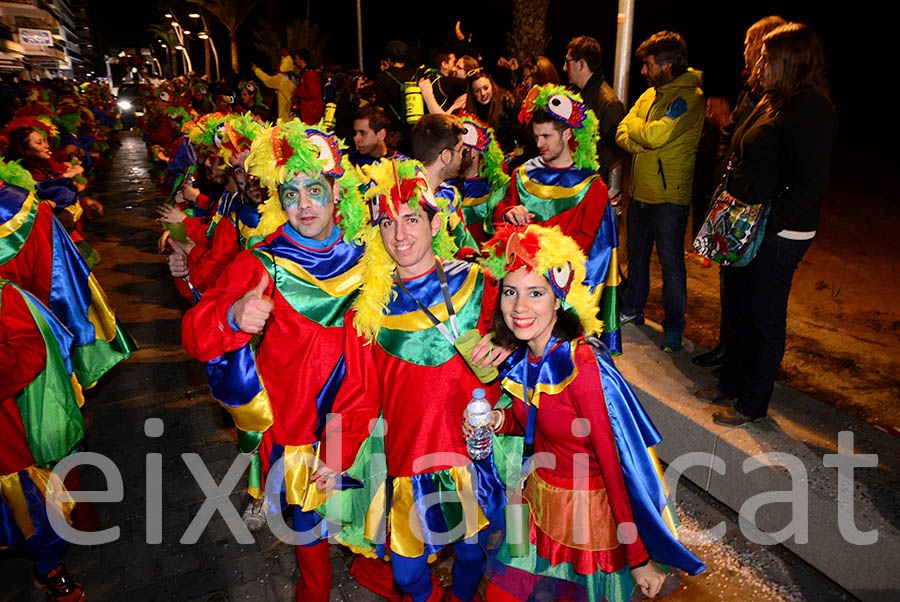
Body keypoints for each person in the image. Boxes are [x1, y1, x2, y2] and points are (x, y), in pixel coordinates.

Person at [181, 121, 369, 602]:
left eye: (314, 190)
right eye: (291, 193)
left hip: (362, 416)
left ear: (335, 190)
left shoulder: (370, 254)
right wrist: (232, 313)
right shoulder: (262, 262)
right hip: (297, 425)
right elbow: (195, 333)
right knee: (308, 533)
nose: (304, 204)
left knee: (368, 513)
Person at [471, 224, 705, 602]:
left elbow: (617, 465)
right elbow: (536, 424)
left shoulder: (581, 365)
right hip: (539, 507)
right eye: (511, 292)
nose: (519, 307)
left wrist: (639, 556)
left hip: (590, 523)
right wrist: (498, 421)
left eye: (536, 293)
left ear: (559, 298)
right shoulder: (527, 354)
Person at [312, 158, 509, 602]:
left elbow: (520, 350)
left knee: (473, 554)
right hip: (409, 464)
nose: (399, 235)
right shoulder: (369, 309)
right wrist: (333, 455)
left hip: (471, 457)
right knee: (406, 572)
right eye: (386, 222)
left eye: (411, 218)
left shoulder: (480, 282)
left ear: (434, 221)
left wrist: (508, 355)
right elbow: (359, 395)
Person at [700, 23, 836, 426]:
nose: (758, 64)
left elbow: (812, 181)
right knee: (739, 309)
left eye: (766, 58)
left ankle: (753, 403)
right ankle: (731, 383)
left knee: (764, 317)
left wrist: (768, 225)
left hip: (778, 233)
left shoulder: (811, 107)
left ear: (788, 61)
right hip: (749, 225)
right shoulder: (773, 98)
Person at [491, 84, 622, 352]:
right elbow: (498, 214)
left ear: (568, 134)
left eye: (547, 136)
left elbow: (584, 245)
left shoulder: (592, 187)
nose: (539, 144)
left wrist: (537, 245)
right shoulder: (524, 174)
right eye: (536, 136)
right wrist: (508, 211)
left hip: (562, 292)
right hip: (519, 288)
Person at [691, 15, 786, 370]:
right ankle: (727, 345)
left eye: (750, 44)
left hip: (750, 205)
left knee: (745, 289)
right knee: (728, 279)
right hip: (731, 197)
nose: (745, 51)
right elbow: (730, 135)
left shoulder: (774, 96)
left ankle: (739, 356)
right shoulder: (751, 88)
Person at [615, 31, 704, 353]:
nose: (643, 71)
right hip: (640, 194)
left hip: (669, 200)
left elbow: (653, 137)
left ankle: (674, 327)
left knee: (671, 266)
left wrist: (643, 134)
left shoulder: (691, 98)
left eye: (648, 64)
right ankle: (633, 308)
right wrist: (645, 132)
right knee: (636, 258)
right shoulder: (651, 94)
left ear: (667, 65)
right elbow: (623, 132)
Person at [410, 113, 479, 256]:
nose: (462, 156)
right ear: (446, 157)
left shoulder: (450, 196)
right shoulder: (404, 201)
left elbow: (464, 245)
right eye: (460, 150)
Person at [564, 36, 626, 184]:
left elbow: (617, 148)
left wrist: (585, 163)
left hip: (588, 184)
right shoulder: (575, 93)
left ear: (581, 64)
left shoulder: (609, 103)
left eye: (568, 62)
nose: (564, 68)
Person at [450, 113, 510, 244]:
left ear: (475, 151)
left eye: (463, 148)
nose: (458, 154)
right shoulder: (446, 187)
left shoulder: (493, 189)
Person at [252, 52, 298, 122]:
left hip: (285, 116)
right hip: (294, 113)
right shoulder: (294, 77)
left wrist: (256, 70)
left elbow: (268, 80)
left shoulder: (282, 78)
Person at [291, 49, 324, 124]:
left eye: (296, 58)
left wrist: (297, 91)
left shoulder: (309, 74)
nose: (295, 61)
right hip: (309, 111)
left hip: (311, 112)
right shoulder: (307, 74)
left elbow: (312, 94)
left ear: (301, 60)